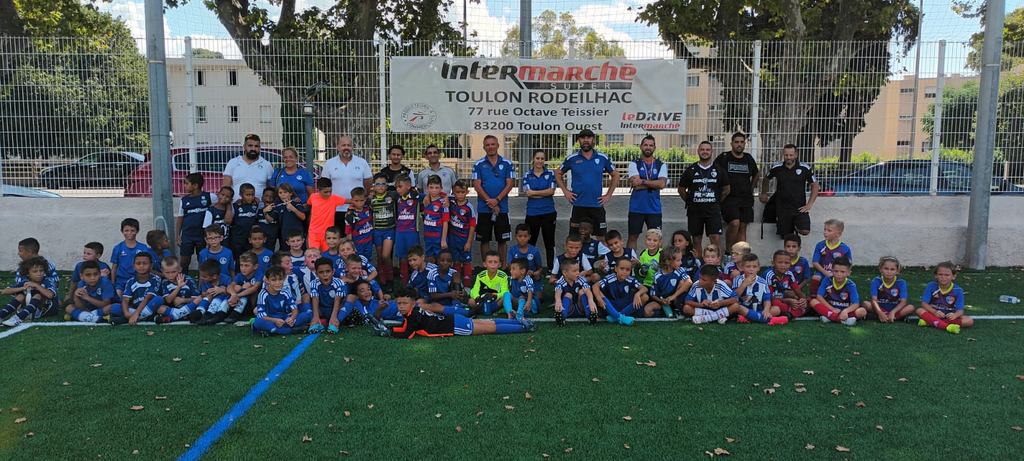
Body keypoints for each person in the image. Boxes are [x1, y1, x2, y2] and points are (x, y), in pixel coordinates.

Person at [370, 286, 536, 339]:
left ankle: (523, 328)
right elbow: (405, 325)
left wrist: (389, 333)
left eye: (404, 303)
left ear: (413, 303)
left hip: (455, 326)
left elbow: (408, 333)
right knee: (488, 323)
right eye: (399, 303)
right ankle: (519, 322)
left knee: (490, 328)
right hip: (454, 320)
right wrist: (387, 327)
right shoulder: (414, 311)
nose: (400, 306)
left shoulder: (413, 316)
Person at [555, 129, 620, 241]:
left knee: (602, 239)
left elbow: (616, 175)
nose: (586, 140)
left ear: (593, 140)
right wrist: (565, 191)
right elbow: (557, 173)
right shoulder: (572, 158)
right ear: (579, 140)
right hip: (578, 205)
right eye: (583, 138)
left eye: (588, 137)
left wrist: (608, 195)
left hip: (597, 205)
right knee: (575, 239)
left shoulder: (602, 158)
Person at [677, 140, 730, 257]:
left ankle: (716, 264)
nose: (705, 152)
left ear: (712, 152)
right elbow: (681, 189)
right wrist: (690, 201)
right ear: (698, 151)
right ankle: (699, 263)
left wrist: (717, 201)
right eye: (702, 149)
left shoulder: (719, 170)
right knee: (696, 239)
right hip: (695, 211)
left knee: (715, 238)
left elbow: (726, 188)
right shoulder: (691, 170)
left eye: (707, 150)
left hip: (713, 211)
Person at [472, 135, 516, 267]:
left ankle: (503, 268)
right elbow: (477, 185)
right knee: (484, 240)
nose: (490, 147)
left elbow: (510, 184)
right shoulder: (478, 164)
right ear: (484, 147)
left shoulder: (507, 163)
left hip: (502, 208)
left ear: (497, 145)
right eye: (487, 145)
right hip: (483, 208)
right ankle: (487, 268)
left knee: (502, 240)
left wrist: (497, 200)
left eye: (492, 144)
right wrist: (490, 202)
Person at [759, 144, 819, 237]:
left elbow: (815, 185)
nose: (788, 157)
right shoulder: (777, 168)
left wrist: (809, 204)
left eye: (791, 155)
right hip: (783, 208)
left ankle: (794, 226)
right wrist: (763, 193)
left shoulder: (805, 168)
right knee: (785, 236)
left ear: (796, 155)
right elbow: (766, 179)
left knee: (805, 230)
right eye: (786, 155)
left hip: (799, 207)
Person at [714, 132, 759, 249]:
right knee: (735, 223)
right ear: (731, 144)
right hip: (729, 199)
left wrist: (751, 189)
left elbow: (756, 174)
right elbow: (714, 173)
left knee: (743, 227)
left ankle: (741, 255)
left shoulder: (748, 158)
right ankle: (728, 252)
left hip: (745, 199)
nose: (739, 144)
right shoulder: (724, 157)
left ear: (745, 144)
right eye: (736, 142)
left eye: (742, 142)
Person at [322, 135, 373, 234]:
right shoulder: (329, 164)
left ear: (353, 147)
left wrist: (362, 198)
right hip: (336, 209)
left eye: (349, 145)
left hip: (357, 209)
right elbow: (324, 185)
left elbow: (368, 182)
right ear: (338, 147)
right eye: (343, 145)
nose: (346, 148)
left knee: (357, 237)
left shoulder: (362, 163)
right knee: (337, 238)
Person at [627, 135, 669, 249]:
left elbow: (662, 184)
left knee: (656, 238)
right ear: (641, 147)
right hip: (636, 208)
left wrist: (642, 181)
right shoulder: (634, 164)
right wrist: (654, 183)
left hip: (654, 208)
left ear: (654, 148)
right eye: (645, 145)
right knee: (632, 237)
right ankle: (630, 260)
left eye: (651, 145)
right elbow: (636, 186)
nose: (648, 147)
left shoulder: (661, 165)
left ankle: (657, 260)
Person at [252, 266, 312, 336]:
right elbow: (261, 315)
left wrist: (292, 318)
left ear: (284, 279)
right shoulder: (263, 294)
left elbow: (294, 309)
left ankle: (272, 330)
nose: (277, 283)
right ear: (267, 280)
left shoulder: (285, 292)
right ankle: (290, 330)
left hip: (283, 319)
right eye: (273, 280)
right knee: (258, 322)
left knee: (305, 315)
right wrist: (275, 320)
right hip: (270, 319)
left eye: (280, 279)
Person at [522, 149, 557, 267]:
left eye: (542, 159)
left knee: (549, 242)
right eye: (537, 158)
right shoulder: (527, 175)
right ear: (533, 159)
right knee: (531, 242)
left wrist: (535, 193)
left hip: (548, 212)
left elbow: (551, 191)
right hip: (532, 213)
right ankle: (530, 268)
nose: (540, 161)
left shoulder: (551, 173)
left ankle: (551, 269)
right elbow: (528, 193)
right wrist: (543, 193)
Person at [177, 173, 218, 273]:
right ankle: (184, 279)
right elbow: (180, 217)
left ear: (195, 185)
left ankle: (202, 280)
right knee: (184, 260)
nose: (184, 186)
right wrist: (178, 235)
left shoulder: (210, 197)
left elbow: (222, 204)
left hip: (202, 234)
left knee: (202, 258)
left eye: (187, 183)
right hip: (187, 234)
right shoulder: (184, 200)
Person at [917, 262, 973, 333]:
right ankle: (947, 327)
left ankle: (930, 321)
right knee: (919, 310)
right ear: (936, 275)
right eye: (940, 274)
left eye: (947, 275)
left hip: (948, 316)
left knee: (969, 321)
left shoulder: (958, 290)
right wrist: (934, 312)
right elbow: (924, 304)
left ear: (953, 277)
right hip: (933, 313)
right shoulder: (931, 286)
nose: (943, 277)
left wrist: (955, 315)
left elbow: (960, 310)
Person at [0, 256, 58, 327]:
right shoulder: (26, 282)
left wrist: (36, 285)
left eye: (41, 270)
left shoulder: (48, 280)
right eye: (35, 271)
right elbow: (4, 291)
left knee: (38, 295)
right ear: (28, 273)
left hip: (48, 309)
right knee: (21, 296)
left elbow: (50, 295)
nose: (39, 273)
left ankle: (19, 318)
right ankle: (1, 316)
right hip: (31, 309)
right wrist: (23, 288)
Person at [733, 254, 788, 325]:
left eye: (754, 267)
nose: (751, 269)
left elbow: (767, 299)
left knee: (776, 309)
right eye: (748, 266)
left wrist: (766, 310)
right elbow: (734, 297)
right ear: (742, 267)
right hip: (743, 308)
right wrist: (744, 284)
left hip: (758, 309)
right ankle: (770, 319)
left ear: (758, 268)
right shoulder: (737, 279)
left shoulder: (762, 282)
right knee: (736, 307)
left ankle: (748, 318)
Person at [110, 253, 162, 326]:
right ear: (134, 266)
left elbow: (148, 298)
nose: (141, 266)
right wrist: (126, 313)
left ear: (151, 266)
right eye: (138, 263)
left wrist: (136, 314)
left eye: (145, 263)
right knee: (114, 308)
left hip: (149, 307)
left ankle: (133, 318)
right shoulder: (131, 281)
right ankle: (145, 318)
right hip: (135, 309)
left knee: (158, 299)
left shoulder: (155, 279)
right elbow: (125, 299)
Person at [809, 256, 864, 326]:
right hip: (830, 309)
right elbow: (819, 296)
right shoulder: (827, 280)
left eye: (842, 272)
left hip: (844, 311)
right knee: (813, 301)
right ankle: (840, 319)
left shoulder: (851, 285)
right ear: (832, 271)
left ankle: (829, 317)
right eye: (836, 271)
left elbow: (856, 304)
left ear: (849, 272)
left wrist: (845, 311)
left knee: (862, 311)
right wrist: (832, 309)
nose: (839, 274)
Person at [152, 257, 206, 324]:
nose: (170, 275)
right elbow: (168, 300)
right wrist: (178, 287)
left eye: (173, 272)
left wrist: (183, 300)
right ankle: (182, 315)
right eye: (167, 273)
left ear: (180, 269)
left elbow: (197, 298)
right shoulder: (165, 283)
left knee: (200, 300)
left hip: (189, 306)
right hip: (174, 308)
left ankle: (174, 317)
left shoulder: (189, 280)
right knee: (160, 308)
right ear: (162, 271)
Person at [370, 172, 400, 289]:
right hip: (377, 231)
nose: (381, 186)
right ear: (373, 186)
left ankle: (390, 279)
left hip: (389, 230)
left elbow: (406, 193)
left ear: (387, 186)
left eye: (383, 184)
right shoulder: (371, 199)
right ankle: (382, 281)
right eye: (378, 184)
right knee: (379, 256)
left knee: (386, 255)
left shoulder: (392, 195)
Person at [597, 257, 648, 325]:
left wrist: (637, 294)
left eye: (628, 270)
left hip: (626, 306)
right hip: (612, 306)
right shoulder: (610, 278)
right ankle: (620, 317)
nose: (624, 272)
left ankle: (616, 317)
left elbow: (644, 288)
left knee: (644, 296)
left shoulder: (630, 279)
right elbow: (595, 286)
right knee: (599, 293)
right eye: (622, 269)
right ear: (616, 268)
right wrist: (599, 299)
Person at [644, 247, 692, 319]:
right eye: (678, 260)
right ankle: (668, 313)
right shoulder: (658, 276)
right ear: (668, 262)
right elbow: (653, 294)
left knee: (683, 282)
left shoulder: (679, 270)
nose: (681, 262)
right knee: (647, 311)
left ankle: (678, 309)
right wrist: (661, 301)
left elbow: (689, 282)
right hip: (663, 301)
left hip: (675, 300)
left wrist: (673, 296)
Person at [222, 133, 273, 201]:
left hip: (260, 206)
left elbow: (270, 190)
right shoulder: (233, 162)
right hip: (236, 205)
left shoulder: (266, 165)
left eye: (256, 146)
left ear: (260, 148)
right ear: (244, 147)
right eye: (250, 146)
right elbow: (226, 189)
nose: (253, 149)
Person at [810, 219, 853, 296]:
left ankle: (836, 299)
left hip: (837, 273)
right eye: (825, 229)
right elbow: (815, 262)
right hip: (823, 272)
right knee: (816, 277)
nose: (825, 232)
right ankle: (813, 297)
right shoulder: (820, 245)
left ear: (838, 234)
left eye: (829, 230)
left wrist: (838, 273)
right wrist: (826, 273)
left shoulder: (845, 248)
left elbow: (849, 264)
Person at [864, 256, 913, 323]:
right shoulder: (875, 281)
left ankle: (888, 316)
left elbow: (903, 301)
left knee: (911, 307)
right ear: (880, 269)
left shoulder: (901, 282)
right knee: (865, 304)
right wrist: (879, 312)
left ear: (897, 271)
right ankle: (889, 317)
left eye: (892, 269)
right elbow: (874, 300)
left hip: (895, 308)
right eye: (886, 268)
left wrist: (893, 312)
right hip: (880, 307)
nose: (889, 272)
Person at [447, 179, 477, 287]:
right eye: (457, 192)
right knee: (456, 262)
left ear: (467, 192)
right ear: (454, 192)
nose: (460, 195)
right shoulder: (452, 202)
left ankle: (467, 286)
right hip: (453, 239)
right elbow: (441, 194)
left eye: (462, 192)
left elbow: (472, 225)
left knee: (466, 262)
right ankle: (457, 284)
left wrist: (468, 242)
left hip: (464, 240)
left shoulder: (469, 208)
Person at [63, 242, 112, 308]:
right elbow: (75, 281)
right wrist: (69, 295)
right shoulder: (79, 266)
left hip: (100, 297)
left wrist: (103, 276)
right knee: (69, 308)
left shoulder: (104, 267)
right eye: (84, 253)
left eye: (88, 254)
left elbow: (106, 283)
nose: (85, 256)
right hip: (85, 293)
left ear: (98, 256)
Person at [306, 257, 347, 334]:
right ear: (316, 274)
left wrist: (334, 316)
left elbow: (337, 299)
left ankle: (335, 322)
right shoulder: (314, 283)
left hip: (335, 309)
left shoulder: (338, 282)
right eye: (321, 272)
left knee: (351, 297)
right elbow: (315, 299)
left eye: (328, 271)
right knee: (305, 297)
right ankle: (315, 322)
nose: (325, 275)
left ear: (333, 272)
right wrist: (316, 316)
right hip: (321, 310)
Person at [763, 250, 808, 319]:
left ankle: (788, 313)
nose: (783, 265)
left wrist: (803, 299)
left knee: (808, 302)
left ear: (790, 264)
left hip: (783, 300)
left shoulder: (789, 274)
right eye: (780, 262)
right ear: (773, 263)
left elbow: (798, 291)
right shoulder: (769, 275)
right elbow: (769, 297)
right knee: (776, 303)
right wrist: (787, 300)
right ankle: (792, 313)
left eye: (786, 263)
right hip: (769, 302)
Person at [306, 178, 348, 251]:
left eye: (330, 191)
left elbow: (352, 201)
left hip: (328, 233)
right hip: (314, 232)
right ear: (318, 190)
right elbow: (308, 205)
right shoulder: (313, 197)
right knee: (313, 253)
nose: (328, 194)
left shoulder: (334, 198)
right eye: (326, 192)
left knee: (328, 254)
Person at [553, 259, 598, 327]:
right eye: (574, 271)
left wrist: (591, 301)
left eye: (578, 270)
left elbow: (587, 290)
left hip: (580, 307)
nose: (578, 273)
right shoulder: (561, 281)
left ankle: (590, 315)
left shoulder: (580, 279)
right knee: (568, 294)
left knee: (582, 291)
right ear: (565, 272)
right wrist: (558, 301)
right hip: (568, 309)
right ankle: (561, 316)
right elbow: (558, 291)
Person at [394, 175, 422, 285]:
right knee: (402, 258)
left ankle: (416, 283)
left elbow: (432, 195)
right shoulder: (397, 198)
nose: (398, 189)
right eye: (396, 187)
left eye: (400, 186)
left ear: (409, 186)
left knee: (415, 257)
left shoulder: (416, 197)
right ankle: (404, 284)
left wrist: (445, 197)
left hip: (412, 232)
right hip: (400, 232)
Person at [110, 218, 153, 287]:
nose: (129, 233)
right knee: (118, 293)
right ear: (122, 231)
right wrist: (112, 284)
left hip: (138, 280)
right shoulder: (118, 248)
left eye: (132, 230)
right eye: (126, 230)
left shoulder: (143, 247)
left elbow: (148, 266)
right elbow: (114, 268)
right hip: (121, 281)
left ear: (137, 231)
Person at [223, 251, 263, 325]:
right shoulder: (240, 275)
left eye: (246, 266)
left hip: (254, 304)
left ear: (255, 266)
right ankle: (224, 310)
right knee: (236, 287)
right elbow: (230, 286)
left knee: (247, 285)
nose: (243, 268)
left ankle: (238, 312)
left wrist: (237, 295)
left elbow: (255, 288)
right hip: (240, 301)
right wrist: (233, 294)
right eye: (241, 265)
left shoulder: (259, 275)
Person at [467, 250, 510, 317]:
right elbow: (474, 290)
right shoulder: (480, 276)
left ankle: (481, 309)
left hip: (495, 301)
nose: (493, 264)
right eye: (490, 262)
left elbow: (505, 291)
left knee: (504, 299)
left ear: (499, 264)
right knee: (470, 301)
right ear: (485, 264)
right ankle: (484, 308)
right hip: (482, 301)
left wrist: (495, 296)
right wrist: (477, 297)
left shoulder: (503, 276)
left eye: (495, 262)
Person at [190, 259, 233, 324]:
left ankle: (215, 314)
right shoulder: (205, 281)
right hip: (210, 301)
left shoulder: (226, 279)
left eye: (204, 276)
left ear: (214, 276)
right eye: (201, 275)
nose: (201, 278)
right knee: (209, 296)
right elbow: (203, 294)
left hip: (222, 303)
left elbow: (231, 292)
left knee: (221, 294)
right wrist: (207, 292)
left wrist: (222, 290)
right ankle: (200, 311)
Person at [506, 224, 543, 292]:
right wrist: (524, 273)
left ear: (529, 237)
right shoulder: (511, 250)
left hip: (532, 279)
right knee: (515, 295)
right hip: (517, 278)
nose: (522, 239)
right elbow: (510, 267)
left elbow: (540, 267)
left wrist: (537, 273)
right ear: (515, 236)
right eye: (520, 236)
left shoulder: (535, 251)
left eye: (525, 236)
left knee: (538, 296)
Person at [421, 175, 450, 263]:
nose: (434, 190)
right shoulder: (425, 200)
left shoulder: (443, 203)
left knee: (442, 260)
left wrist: (443, 240)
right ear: (427, 188)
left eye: (437, 188)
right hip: (428, 238)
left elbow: (445, 222)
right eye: (431, 187)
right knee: (430, 259)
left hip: (439, 237)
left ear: (441, 188)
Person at [230, 183, 261, 259]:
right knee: (238, 259)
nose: (250, 197)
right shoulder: (235, 206)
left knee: (250, 258)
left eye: (252, 195)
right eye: (247, 195)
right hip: (237, 238)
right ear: (240, 194)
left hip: (250, 239)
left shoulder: (256, 205)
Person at [274, 183, 308, 251]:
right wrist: (265, 212)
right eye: (280, 193)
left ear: (291, 193)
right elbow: (271, 219)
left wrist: (293, 209)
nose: (283, 194)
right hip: (285, 234)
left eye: (285, 192)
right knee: (286, 253)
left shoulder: (297, 204)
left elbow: (303, 217)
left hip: (298, 233)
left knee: (301, 251)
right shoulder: (278, 207)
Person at [344, 187, 374, 261]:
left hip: (369, 241)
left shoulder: (368, 207)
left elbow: (372, 195)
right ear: (352, 200)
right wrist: (351, 245)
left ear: (365, 199)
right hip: (357, 243)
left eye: (362, 200)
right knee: (358, 261)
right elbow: (348, 232)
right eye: (356, 201)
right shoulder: (350, 214)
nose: (359, 203)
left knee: (368, 261)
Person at [256, 187, 279, 252]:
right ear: (262, 198)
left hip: (271, 239)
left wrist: (265, 213)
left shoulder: (276, 211)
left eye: (271, 197)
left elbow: (270, 220)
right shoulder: (259, 211)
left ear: (274, 200)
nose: (268, 199)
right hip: (260, 240)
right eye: (266, 196)